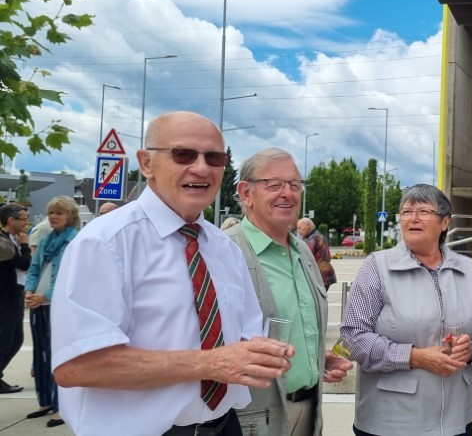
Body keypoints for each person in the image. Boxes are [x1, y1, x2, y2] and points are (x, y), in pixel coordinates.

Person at [49, 111, 292, 436]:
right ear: (146, 163)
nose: (202, 168)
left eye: (215, 158)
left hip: (224, 426)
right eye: (183, 154)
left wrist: (268, 354)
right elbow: (77, 365)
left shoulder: (225, 248)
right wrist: (210, 363)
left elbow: (245, 338)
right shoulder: (105, 242)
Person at [341, 184, 472, 436]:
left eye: (424, 211)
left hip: (456, 419)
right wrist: (414, 357)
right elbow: (353, 337)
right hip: (392, 422)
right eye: (406, 212)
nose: (413, 218)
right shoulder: (377, 267)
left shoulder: (469, 270)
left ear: (445, 222)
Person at [226, 148, 353, 435]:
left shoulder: (302, 251)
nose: (288, 193)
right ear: (246, 193)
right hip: (253, 421)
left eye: (295, 184)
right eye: (274, 185)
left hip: (308, 413)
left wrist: (314, 359)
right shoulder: (225, 251)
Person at [23, 196, 80, 427]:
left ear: (70, 216)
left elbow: (70, 277)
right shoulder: (47, 239)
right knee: (40, 354)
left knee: (59, 355)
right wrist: (29, 291)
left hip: (58, 305)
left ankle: (62, 407)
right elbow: (34, 268)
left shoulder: (75, 241)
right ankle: (46, 400)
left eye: (59, 213)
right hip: (38, 303)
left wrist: (45, 296)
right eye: (51, 213)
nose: (53, 217)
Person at [0, 204, 32, 394]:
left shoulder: (12, 239)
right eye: (24, 219)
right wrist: (26, 246)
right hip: (5, 297)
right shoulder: (3, 242)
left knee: (16, 339)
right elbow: (24, 263)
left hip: (15, 294)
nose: (27, 222)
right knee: (6, 340)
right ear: (11, 220)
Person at [296, 217, 337, 289]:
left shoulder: (314, 238)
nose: (298, 231)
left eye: (299, 228)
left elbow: (306, 256)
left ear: (308, 226)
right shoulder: (315, 236)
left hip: (320, 276)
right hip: (324, 275)